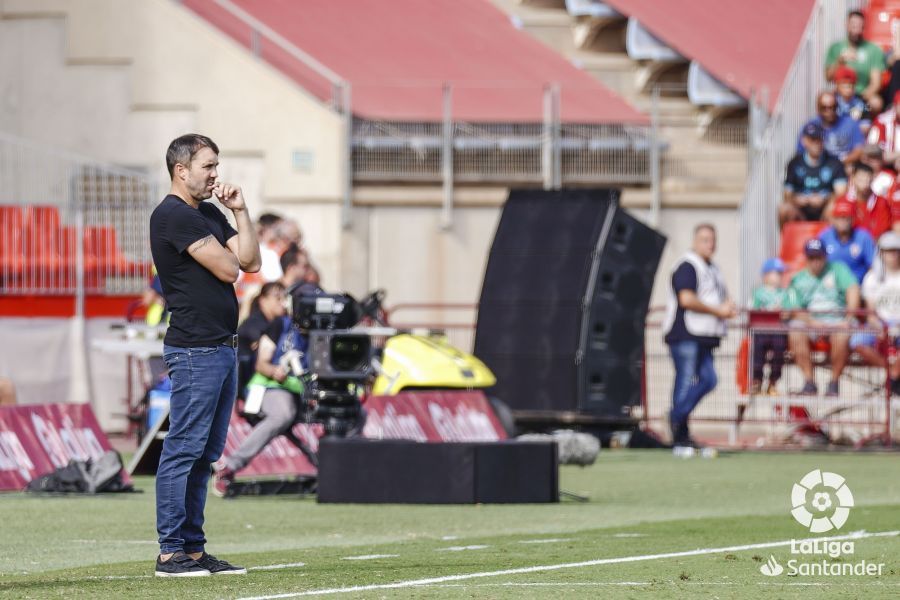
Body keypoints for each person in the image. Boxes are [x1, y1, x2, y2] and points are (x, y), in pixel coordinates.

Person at [149, 133, 261, 577]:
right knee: (183, 451)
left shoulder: (210, 213)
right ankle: (170, 551)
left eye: (216, 165)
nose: (216, 174)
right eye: (208, 166)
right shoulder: (173, 216)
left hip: (221, 349)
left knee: (205, 455)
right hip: (195, 351)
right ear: (182, 170)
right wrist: (228, 253)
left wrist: (240, 210)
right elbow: (230, 268)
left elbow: (250, 262)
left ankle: (193, 551)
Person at [214, 308, 309, 496]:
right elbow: (261, 365)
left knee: (356, 412)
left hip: (306, 392)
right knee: (283, 414)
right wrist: (276, 371)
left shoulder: (328, 330)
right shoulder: (280, 325)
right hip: (270, 387)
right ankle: (230, 466)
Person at [662, 224, 737, 448]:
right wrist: (718, 311)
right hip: (686, 333)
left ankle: (677, 421)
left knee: (708, 379)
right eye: (704, 240)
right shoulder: (687, 266)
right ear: (694, 241)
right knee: (686, 382)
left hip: (704, 336)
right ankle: (678, 427)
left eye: (712, 240)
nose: (710, 244)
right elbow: (686, 299)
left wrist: (727, 307)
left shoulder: (712, 268)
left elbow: (716, 297)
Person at [784, 239, 860, 396]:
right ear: (806, 258)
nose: (816, 262)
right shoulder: (797, 279)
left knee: (843, 334)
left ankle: (833, 383)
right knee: (795, 331)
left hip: (837, 320)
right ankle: (809, 382)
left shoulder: (838, 269)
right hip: (811, 321)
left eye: (819, 257)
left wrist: (848, 318)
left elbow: (852, 289)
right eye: (812, 258)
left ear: (825, 256)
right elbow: (794, 309)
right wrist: (813, 322)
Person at [849, 231, 900, 394]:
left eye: (896, 250)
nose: (893, 255)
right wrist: (879, 327)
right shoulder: (872, 278)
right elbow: (871, 313)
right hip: (881, 323)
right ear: (881, 253)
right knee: (857, 341)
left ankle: (894, 374)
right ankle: (892, 371)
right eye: (889, 250)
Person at [782, 122, 848, 225]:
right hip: (801, 211)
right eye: (812, 140)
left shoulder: (834, 163)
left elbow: (841, 193)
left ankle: (832, 239)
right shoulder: (794, 163)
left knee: (835, 207)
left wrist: (826, 199)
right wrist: (796, 199)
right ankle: (788, 240)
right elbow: (787, 194)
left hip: (824, 210)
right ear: (804, 141)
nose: (817, 143)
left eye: (819, 139)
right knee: (784, 209)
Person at [236, 281, 288, 405]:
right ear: (263, 300)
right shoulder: (255, 324)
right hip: (245, 384)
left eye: (285, 297)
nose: (283, 302)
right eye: (277, 297)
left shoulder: (278, 323)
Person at [826, 10, 885, 114]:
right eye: (853, 26)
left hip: (862, 96)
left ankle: (869, 126)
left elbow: (876, 83)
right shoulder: (835, 48)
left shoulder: (873, 50)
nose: (856, 30)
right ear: (847, 24)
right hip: (840, 94)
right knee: (826, 100)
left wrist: (859, 100)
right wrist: (840, 61)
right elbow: (828, 77)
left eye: (860, 26)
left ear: (864, 28)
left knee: (876, 103)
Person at [750, 258, 788, 395]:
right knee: (757, 351)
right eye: (776, 273)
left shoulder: (784, 293)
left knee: (779, 350)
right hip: (761, 330)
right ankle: (757, 381)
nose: (779, 276)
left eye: (780, 273)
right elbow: (753, 310)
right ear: (766, 275)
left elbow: (789, 311)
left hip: (778, 330)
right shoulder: (758, 292)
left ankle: (773, 382)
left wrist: (783, 313)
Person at [797, 91, 864, 165]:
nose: (829, 111)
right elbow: (801, 151)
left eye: (833, 107)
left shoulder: (851, 124)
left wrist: (836, 165)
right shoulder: (810, 126)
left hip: (845, 166)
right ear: (818, 108)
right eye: (824, 108)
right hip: (818, 167)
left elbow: (859, 150)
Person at [819, 198, 876, 283]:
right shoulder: (824, 236)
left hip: (858, 283)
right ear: (833, 220)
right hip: (831, 284)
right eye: (839, 217)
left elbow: (872, 266)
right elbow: (816, 262)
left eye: (846, 217)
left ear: (853, 219)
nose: (843, 221)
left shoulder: (863, 237)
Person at [833, 65, 871, 133]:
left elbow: (866, 124)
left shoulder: (863, 101)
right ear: (837, 85)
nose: (848, 87)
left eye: (851, 83)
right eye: (844, 83)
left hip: (856, 136)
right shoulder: (832, 100)